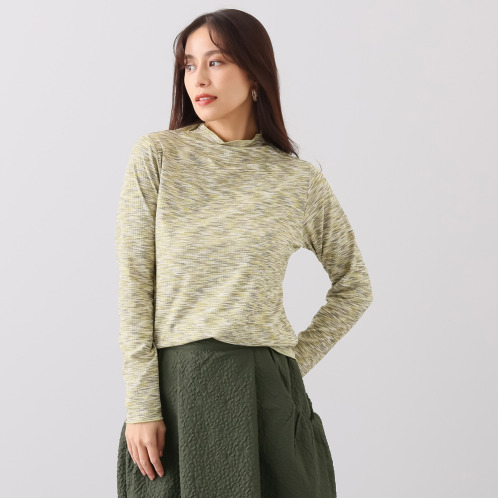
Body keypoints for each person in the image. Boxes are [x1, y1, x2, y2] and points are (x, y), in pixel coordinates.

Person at [115, 8, 373, 498]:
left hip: (267, 396)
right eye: (189, 65)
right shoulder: (157, 157)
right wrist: (142, 403)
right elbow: (134, 283)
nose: (198, 78)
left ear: (255, 73)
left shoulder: (297, 180)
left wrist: (289, 365)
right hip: (179, 392)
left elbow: (355, 286)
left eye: (216, 61)